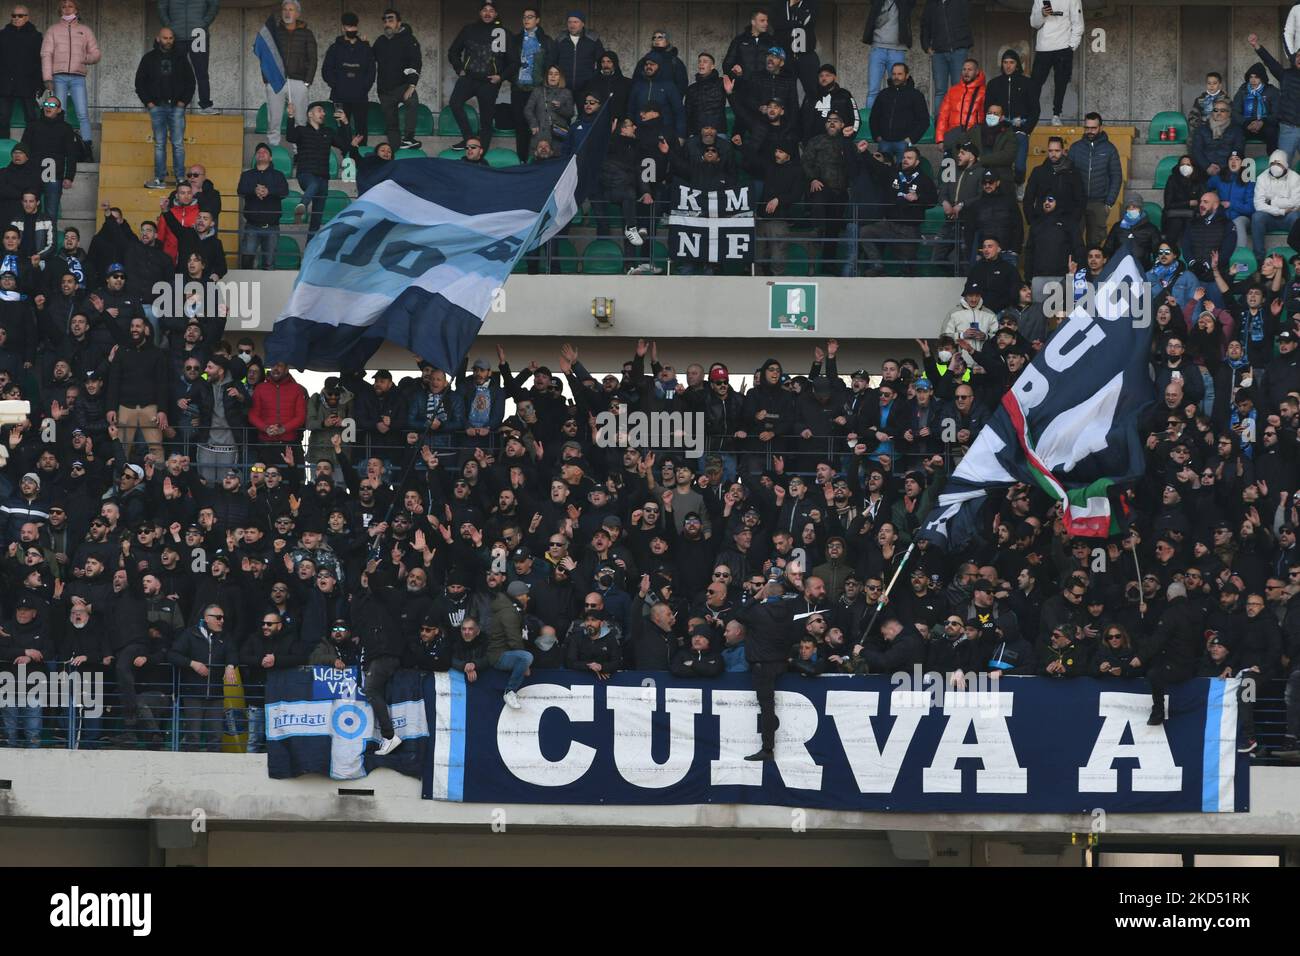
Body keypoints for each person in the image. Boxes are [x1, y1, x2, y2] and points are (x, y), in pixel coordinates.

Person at [167, 603, 237, 752]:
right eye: (218, 617)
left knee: (216, 737)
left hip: (216, 695)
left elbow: (233, 652)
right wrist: (192, 663)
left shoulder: (225, 636)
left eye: (223, 617)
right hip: (193, 693)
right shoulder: (190, 634)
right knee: (193, 736)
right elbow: (173, 655)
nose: (222, 621)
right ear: (206, 618)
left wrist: (230, 665)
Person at [135, 27, 196, 190]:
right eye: (165, 38)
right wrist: (149, 104)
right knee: (159, 144)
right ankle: (159, 179)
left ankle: (180, 179)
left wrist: (183, 102)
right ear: (158, 38)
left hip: (177, 107)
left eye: (170, 38)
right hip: (157, 107)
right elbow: (139, 83)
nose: (168, 41)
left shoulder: (181, 58)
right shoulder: (148, 58)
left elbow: (191, 82)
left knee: (177, 144)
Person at [285, 101, 350, 241]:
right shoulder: (301, 130)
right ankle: (302, 205)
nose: (324, 113)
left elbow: (345, 144)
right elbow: (290, 137)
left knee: (316, 221)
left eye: (324, 112)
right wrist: (290, 117)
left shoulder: (328, 132)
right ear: (310, 114)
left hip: (324, 179)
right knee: (312, 184)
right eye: (320, 110)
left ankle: (309, 254)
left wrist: (345, 123)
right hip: (305, 174)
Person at [40, 0, 98, 156]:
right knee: (60, 114)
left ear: (76, 9)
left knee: (82, 114)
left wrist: (85, 58)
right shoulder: (53, 30)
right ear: (60, 10)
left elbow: (96, 53)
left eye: (70, 6)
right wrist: (47, 78)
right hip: (58, 77)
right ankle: (60, 147)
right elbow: (46, 54)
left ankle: (87, 149)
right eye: (64, 6)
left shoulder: (85, 30)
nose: (67, 9)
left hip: (78, 77)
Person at [446, 2, 504, 151]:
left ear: (496, 14)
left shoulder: (502, 32)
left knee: (486, 119)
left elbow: (512, 60)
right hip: (469, 78)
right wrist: (460, 69)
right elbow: (453, 52)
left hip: (489, 82)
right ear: (480, 13)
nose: (488, 13)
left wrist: (501, 77)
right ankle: (469, 139)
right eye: (485, 10)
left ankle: (481, 150)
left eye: (491, 11)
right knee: (455, 103)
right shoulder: (468, 30)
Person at [259, 0, 316, 150]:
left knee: (300, 119)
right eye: (285, 9)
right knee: (274, 118)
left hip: (299, 81)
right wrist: (267, 80)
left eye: (291, 10)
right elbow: (265, 56)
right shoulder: (275, 33)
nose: (287, 12)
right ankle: (274, 148)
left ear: (297, 13)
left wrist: (307, 82)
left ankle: (298, 151)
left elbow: (313, 58)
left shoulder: (306, 34)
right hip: (276, 80)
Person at [20, 94, 77, 226]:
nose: (48, 107)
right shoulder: (33, 126)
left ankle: (49, 246)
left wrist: (69, 176)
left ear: (59, 109)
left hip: (54, 176)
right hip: (33, 174)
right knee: (29, 212)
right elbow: (24, 149)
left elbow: (71, 154)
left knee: (51, 215)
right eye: (46, 104)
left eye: (52, 105)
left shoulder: (66, 128)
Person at [1067, 112, 1122, 249]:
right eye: (1087, 128)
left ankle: (1093, 270)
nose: (1090, 131)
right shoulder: (1075, 148)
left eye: (1093, 128)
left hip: (1099, 203)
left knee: (1095, 243)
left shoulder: (1110, 149)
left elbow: (1116, 176)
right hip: (1077, 202)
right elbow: (1067, 175)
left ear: (1100, 128)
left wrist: (1109, 202)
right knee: (1074, 241)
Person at [984, 48, 1038, 184]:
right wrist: (993, 125)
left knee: (1019, 166)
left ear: (1017, 64)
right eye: (1005, 62)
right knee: (1000, 166)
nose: (1008, 66)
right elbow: (987, 108)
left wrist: (1026, 128)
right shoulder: (993, 84)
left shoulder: (1028, 83)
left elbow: (1035, 110)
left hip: (1020, 132)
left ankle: (1019, 185)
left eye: (1012, 62)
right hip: (999, 132)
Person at [321, 12, 376, 146]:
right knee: (341, 128)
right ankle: (345, 157)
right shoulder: (334, 48)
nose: (351, 30)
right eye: (348, 27)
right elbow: (326, 70)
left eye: (353, 27)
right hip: (339, 97)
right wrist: (337, 85)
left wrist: (364, 87)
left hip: (360, 97)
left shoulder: (365, 48)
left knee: (361, 129)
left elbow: (371, 71)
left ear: (357, 27)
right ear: (343, 28)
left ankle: (360, 156)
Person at [157, 0, 220, 115]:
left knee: (202, 72)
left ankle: (205, 106)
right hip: (176, 36)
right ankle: (174, 104)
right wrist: (169, 26)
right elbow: (161, 6)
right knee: (174, 71)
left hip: (198, 35)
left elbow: (214, 4)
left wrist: (204, 23)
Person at [374, 7, 423, 151]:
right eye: (385, 20)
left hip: (403, 86)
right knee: (391, 125)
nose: (387, 23)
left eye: (391, 20)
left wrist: (412, 85)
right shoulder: (380, 41)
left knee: (412, 102)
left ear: (399, 23)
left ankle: (408, 138)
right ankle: (395, 152)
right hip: (384, 90)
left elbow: (416, 62)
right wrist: (363, 45)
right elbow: (371, 57)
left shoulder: (409, 40)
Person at [509, 7, 554, 162]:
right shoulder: (515, 40)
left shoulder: (546, 41)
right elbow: (508, 63)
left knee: (538, 125)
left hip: (538, 89)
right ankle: (522, 160)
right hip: (518, 88)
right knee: (520, 125)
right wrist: (512, 78)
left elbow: (550, 65)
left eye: (530, 17)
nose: (526, 20)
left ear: (537, 20)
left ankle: (538, 159)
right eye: (524, 17)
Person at [236, 142, 289, 269]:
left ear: (270, 158)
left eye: (265, 152)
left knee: (269, 264)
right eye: (259, 152)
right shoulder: (247, 175)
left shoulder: (279, 175)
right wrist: (254, 191)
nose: (261, 153)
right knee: (246, 263)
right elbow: (241, 190)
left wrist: (268, 191)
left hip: (272, 227)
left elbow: (284, 192)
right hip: (251, 226)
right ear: (255, 157)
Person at [1029, 0, 1082, 127]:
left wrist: (1072, 46)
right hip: (1043, 47)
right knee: (1035, 83)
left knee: (1061, 83)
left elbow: (1078, 23)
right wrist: (1042, 14)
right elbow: (1034, 23)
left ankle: (1056, 115)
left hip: (1063, 47)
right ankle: (1032, 115)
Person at [868, 61, 929, 165]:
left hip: (903, 143)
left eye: (900, 74)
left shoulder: (916, 95)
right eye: (894, 74)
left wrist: (910, 139)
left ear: (907, 75)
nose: (896, 77)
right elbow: (874, 117)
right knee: (882, 174)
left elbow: (924, 121)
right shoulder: (884, 94)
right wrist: (877, 136)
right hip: (884, 142)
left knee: (903, 175)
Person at [248, 359, 307, 464]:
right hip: (265, 443)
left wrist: (283, 429)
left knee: (290, 479)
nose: (275, 368)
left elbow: (301, 416)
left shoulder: (297, 389)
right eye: (273, 365)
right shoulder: (260, 388)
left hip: (289, 444)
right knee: (266, 478)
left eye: (279, 365)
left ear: (286, 369)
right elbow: (253, 415)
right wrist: (266, 428)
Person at [488, 580, 534, 709]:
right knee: (526, 657)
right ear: (518, 596)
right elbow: (514, 639)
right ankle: (510, 691)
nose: (528, 598)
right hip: (499, 655)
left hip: (504, 652)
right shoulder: (509, 612)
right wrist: (525, 665)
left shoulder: (511, 608)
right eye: (526, 595)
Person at [920, 0, 972, 114]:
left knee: (959, 88)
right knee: (940, 91)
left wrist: (965, 44)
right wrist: (926, 46)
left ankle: (957, 125)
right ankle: (940, 125)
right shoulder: (931, 4)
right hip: (938, 52)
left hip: (958, 50)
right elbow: (925, 25)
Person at [0, 5, 42, 140]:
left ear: (27, 17)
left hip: (27, 83)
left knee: (31, 117)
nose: (16, 18)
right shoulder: (2, 35)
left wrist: (40, 83)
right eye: (14, 15)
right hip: (5, 84)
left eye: (20, 15)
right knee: (2, 118)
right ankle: (3, 147)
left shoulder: (36, 36)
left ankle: (27, 146)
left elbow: (39, 61)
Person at [862, 0, 914, 109]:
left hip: (897, 49)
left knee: (898, 88)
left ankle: (895, 119)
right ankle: (870, 121)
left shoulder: (904, 3)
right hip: (878, 48)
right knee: (873, 90)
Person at [1252, 149, 1300, 262]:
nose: (1275, 166)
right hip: (1269, 218)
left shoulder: (1295, 178)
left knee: (1296, 216)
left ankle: (1297, 258)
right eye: (1272, 163)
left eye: (1278, 163)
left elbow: (1296, 203)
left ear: (1285, 165)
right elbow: (1258, 205)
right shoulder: (1262, 178)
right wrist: (1282, 210)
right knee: (1257, 217)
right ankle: (1259, 259)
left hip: (1289, 218)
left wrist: (1272, 202)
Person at [935, 57, 985, 155]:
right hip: (954, 137)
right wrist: (940, 139)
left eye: (970, 69)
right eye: (964, 69)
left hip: (974, 139)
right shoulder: (953, 90)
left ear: (977, 72)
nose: (966, 72)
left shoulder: (984, 92)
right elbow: (943, 116)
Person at [525, 65, 573, 155]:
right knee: (537, 162)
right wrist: (533, 123)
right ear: (546, 76)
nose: (553, 76)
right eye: (550, 74)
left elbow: (570, 113)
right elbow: (528, 109)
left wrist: (560, 108)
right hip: (540, 132)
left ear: (560, 77)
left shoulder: (566, 92)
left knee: (557, 161)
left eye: (556, 74)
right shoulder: (537, 91)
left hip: (557, 134)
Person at [1232, 63, 1279, 154]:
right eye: (1251, 77)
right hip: (1246, 124)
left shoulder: (1271, 91)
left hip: (1265, 124)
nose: (1253, 80)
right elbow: (1235, 111)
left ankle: (1273, 162)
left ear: (1262, 78)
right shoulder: (1242, 91)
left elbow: (1276, 113)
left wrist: (1262, 122)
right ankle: (1237, 162)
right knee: (1236, 132)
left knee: (1272, 132)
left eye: (1256, 77)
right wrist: (1245, 123)